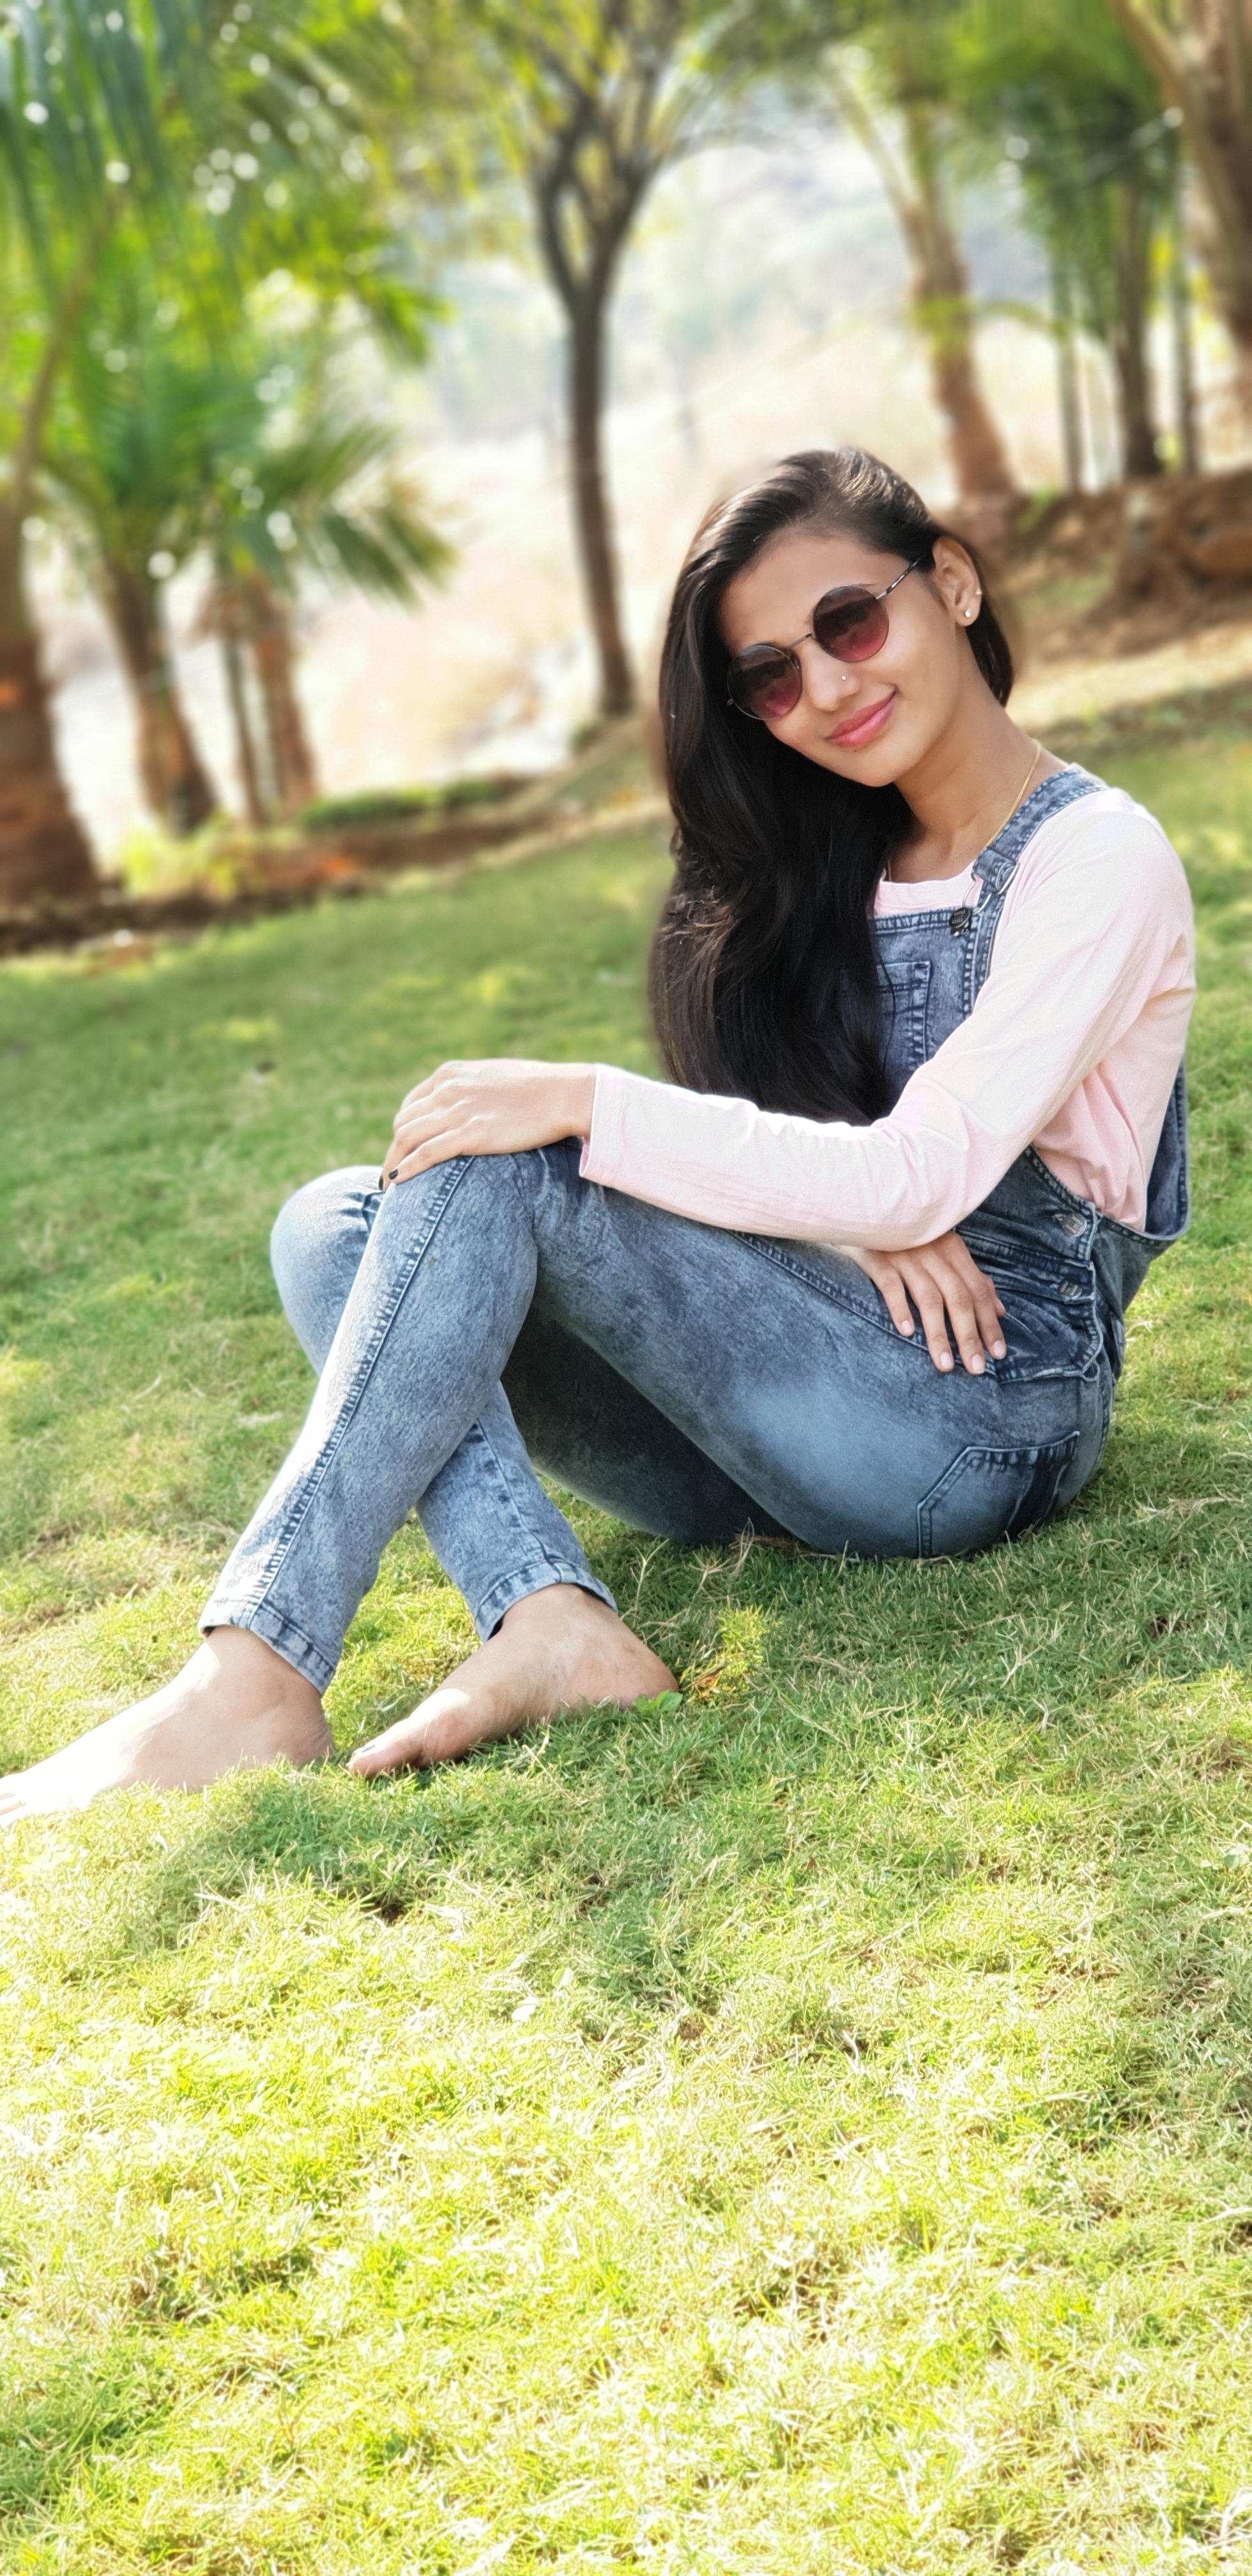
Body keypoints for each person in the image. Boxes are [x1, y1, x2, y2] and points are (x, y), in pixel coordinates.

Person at [0, 447, 1194, 1825]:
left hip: (979, 1422)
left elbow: (915, 1174)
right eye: (770, 676)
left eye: (849, 623)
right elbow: (843, 1180)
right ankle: (548, 1618)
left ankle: (256, 1669)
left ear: (953, 583)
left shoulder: (1091, 858)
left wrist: (594, 1103)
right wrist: (852, 1228)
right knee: (332, 1225)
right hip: (771, 1434)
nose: (825, 689)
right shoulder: (836, 868)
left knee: (505, 1161)